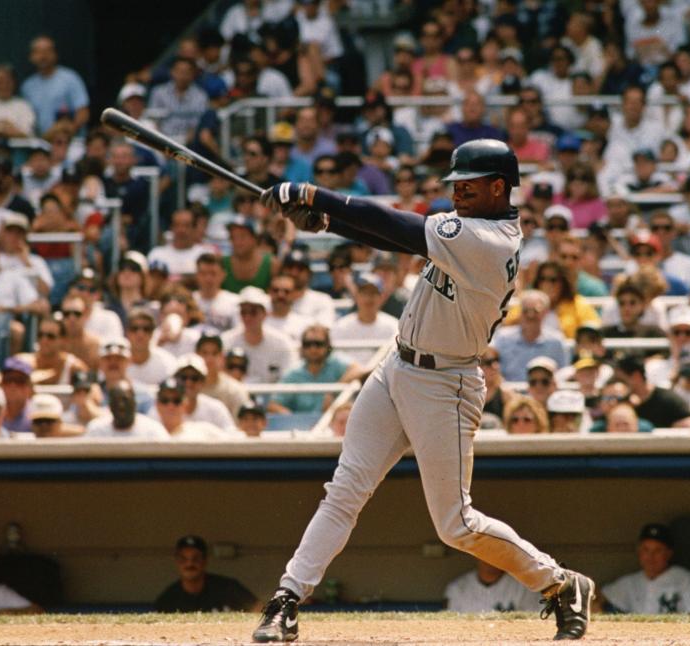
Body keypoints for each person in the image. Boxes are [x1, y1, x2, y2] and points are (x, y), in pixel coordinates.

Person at [252, 139, 594, 642]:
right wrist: (329, 223)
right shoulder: (470, 227)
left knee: (455, 524)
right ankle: (286, 599)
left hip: (446, 383)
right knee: (345, 489)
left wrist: (314, 195)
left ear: (499, 188)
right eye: (455, 185)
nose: (458, 193)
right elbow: (399, 240)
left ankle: (560, 583)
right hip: (398, 365)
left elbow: (398, 225)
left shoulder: (492, 239)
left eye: (469, 186)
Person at [597, 523, 690, 614]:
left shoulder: (685, 579)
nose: (650, 556)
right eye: (646, 550)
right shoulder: (629, 582)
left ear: (669, 553)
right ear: (639, 551)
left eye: (658, 550)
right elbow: (598, 598)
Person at [155, 535, 258, 612]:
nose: (190, 563)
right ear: (177, 562)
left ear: (204, 561)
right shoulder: (167, 599)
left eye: (196, 558)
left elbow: (261, 613)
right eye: (183, 559)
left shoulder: (228, 588)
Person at [269, 325, 358, 414]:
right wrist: (292, 418)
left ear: (328, 346)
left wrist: (334, 391)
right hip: (302, 426)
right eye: (307, 344)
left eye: (318, 344)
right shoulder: (294, 372)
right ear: (302, 347)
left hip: (334, 425)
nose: (313, 349)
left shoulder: (336, 363)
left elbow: (359, 370)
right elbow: (274, 405)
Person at [490, 289, 569, 383]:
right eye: (525, 311)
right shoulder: (503, 338)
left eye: (535, 311)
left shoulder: (556, 341)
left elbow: (563, 373)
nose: (530, 315)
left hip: (543, 394)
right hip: (508, 394)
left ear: (546, 312)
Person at [20, 35, 89, 135]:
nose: (43, 56)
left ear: (55, 54)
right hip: (41, 143)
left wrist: (70, 130)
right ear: (31, 57)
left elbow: (83, 113)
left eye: (47, 51)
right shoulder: (27, 86)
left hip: (70, 141)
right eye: (38, 52)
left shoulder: (70, 78)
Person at [615, 355, 690, 431]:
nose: (617, 384)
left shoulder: (667, 400)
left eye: (621, 380)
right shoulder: (619, 402)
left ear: (636, 376)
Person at [330, 273, 399, 365]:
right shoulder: (341, 326)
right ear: (356, 296)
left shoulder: (394, 326)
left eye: (373, 293)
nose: (368, 298)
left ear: (381, 297)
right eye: (364, 293)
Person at [444, 557, 539, 612]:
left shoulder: (523, 586)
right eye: (484, 552)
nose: (489, 557)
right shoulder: (458, 588)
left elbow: (535, 621)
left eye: (493, 552)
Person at [83, 379, 170, 439]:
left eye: (125, 400)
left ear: (134, 402)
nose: (121, 405)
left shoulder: (153, 430)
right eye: (116, 400)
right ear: (110, 405)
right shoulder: (96, 430)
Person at [196, 329, 250, 418]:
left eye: (214, 353)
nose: (209, 359)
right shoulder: (188, 387)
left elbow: (241, 426)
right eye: (204, 353)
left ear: (222, 357)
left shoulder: (235, 390)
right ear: (196, 355)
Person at [148, 209, 214, 280]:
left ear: (194, 228)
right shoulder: (157, 254)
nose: (181, 230)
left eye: (186, 225)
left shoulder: (206, 253)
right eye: (177, 225)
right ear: (171, 227)